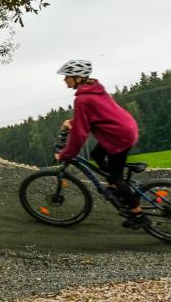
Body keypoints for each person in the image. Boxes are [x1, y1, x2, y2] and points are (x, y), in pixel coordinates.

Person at [54, 59, 150, 229]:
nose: (64, 80)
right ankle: (115, 186)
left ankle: (138, 214)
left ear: (77, 77)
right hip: (125, 127)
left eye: (66, 76)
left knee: (115, 176)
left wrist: (65, 154)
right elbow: (95, 116)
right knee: (97, 155)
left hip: (118, 137)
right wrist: (73, 122)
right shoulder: (95, 89)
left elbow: (79, 135)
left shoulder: (83, 100)